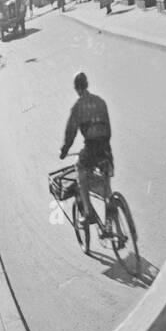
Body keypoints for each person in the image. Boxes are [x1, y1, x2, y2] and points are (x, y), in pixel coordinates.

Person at [58, 72, 113, 240]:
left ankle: (88, 213)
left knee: (79, 167)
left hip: (91, 148)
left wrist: (64, 150)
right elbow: (108, 129)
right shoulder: (101, 102)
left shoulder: (78, 107)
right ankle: (113, 221)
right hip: (106, 148)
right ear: (87, 85)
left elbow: (71, 132)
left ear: (76, 88)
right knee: (106, 183)